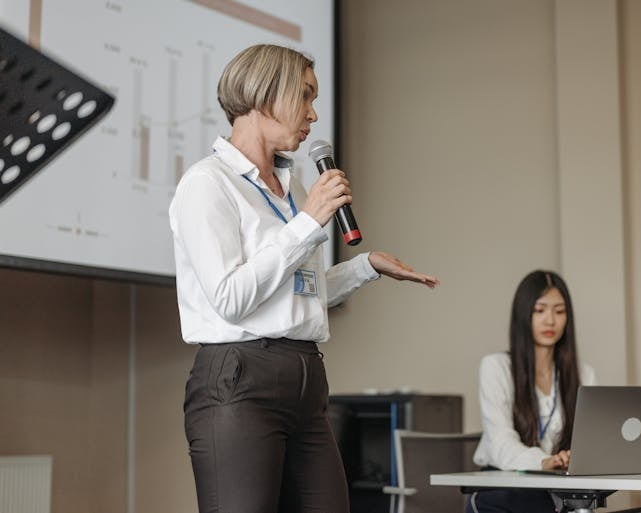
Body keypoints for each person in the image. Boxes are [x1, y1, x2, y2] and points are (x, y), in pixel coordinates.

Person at [169, 44, 439, 513]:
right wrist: (308, 224)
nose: (314, 114)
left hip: (306, 380)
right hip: (240, 380)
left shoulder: (290, 188)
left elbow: (294, 296)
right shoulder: (207, 184)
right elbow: (231, 298)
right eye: (306, 97)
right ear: (263, 93)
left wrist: (364, 266)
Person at [467, 270, 596, 513]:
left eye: (559, 311)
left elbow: (590, 441)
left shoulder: (583, 373)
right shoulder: (496, 367)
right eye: (540, 310)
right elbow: (500, 442)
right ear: (523, 314)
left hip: (556, 490)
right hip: (503, 489)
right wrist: (543, 461)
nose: (550, 321)